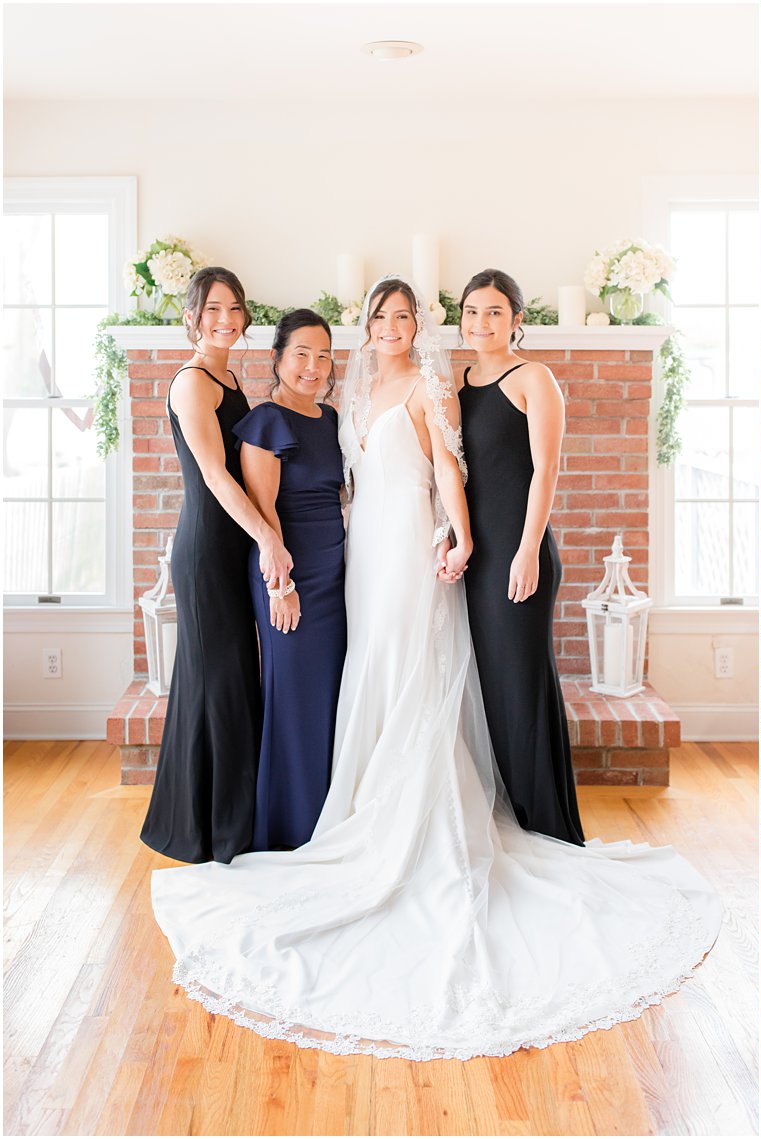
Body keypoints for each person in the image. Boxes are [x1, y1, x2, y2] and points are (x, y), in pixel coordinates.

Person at [148, 276, 720, 1060]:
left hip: (412, 550)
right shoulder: (347, 391)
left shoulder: (429, 384)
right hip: (359, 557)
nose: (391, 327)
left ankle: (417, 819)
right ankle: (355, 801)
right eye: (380, 317)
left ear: (421, 326)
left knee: (411, 664)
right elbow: (335, 483)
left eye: (403, 316)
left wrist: (460, 535)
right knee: (370, 667)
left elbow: (451, 470)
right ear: (366, 328)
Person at [140, 267, 293, 865]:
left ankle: (225, 819)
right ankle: (208, 831)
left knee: (229, 681)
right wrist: (268, 540)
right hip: (207, 547)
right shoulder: (192, 383)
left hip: (235, 544)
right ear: (192, 317)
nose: (226, 319)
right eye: (212, 310)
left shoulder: (228, 375)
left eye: (234, 309)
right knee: (217, 683)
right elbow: (214, 476)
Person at [457, 268, 583, 844]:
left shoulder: (534, 377)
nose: (481, 323)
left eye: (494, 312)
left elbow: (546, 470)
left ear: (517, 320)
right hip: (475, 558)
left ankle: (548, 824)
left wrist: (528, 549)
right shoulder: (457, 383)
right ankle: (509, 813)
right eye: (472, 312)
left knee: (521, 684)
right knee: (489, 688)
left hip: (519, 553)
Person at [236, 310, 345, 851]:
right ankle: (289, 828)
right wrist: (282, 586)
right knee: (295, 697)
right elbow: (264, 515)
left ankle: (328, 816)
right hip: (291, 576)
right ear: (277, 357)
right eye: (301, 352)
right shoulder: (264, 421)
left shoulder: (329, 419)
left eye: (323, 354)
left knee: (329, 697)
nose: (313, 365)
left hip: (337, 574)